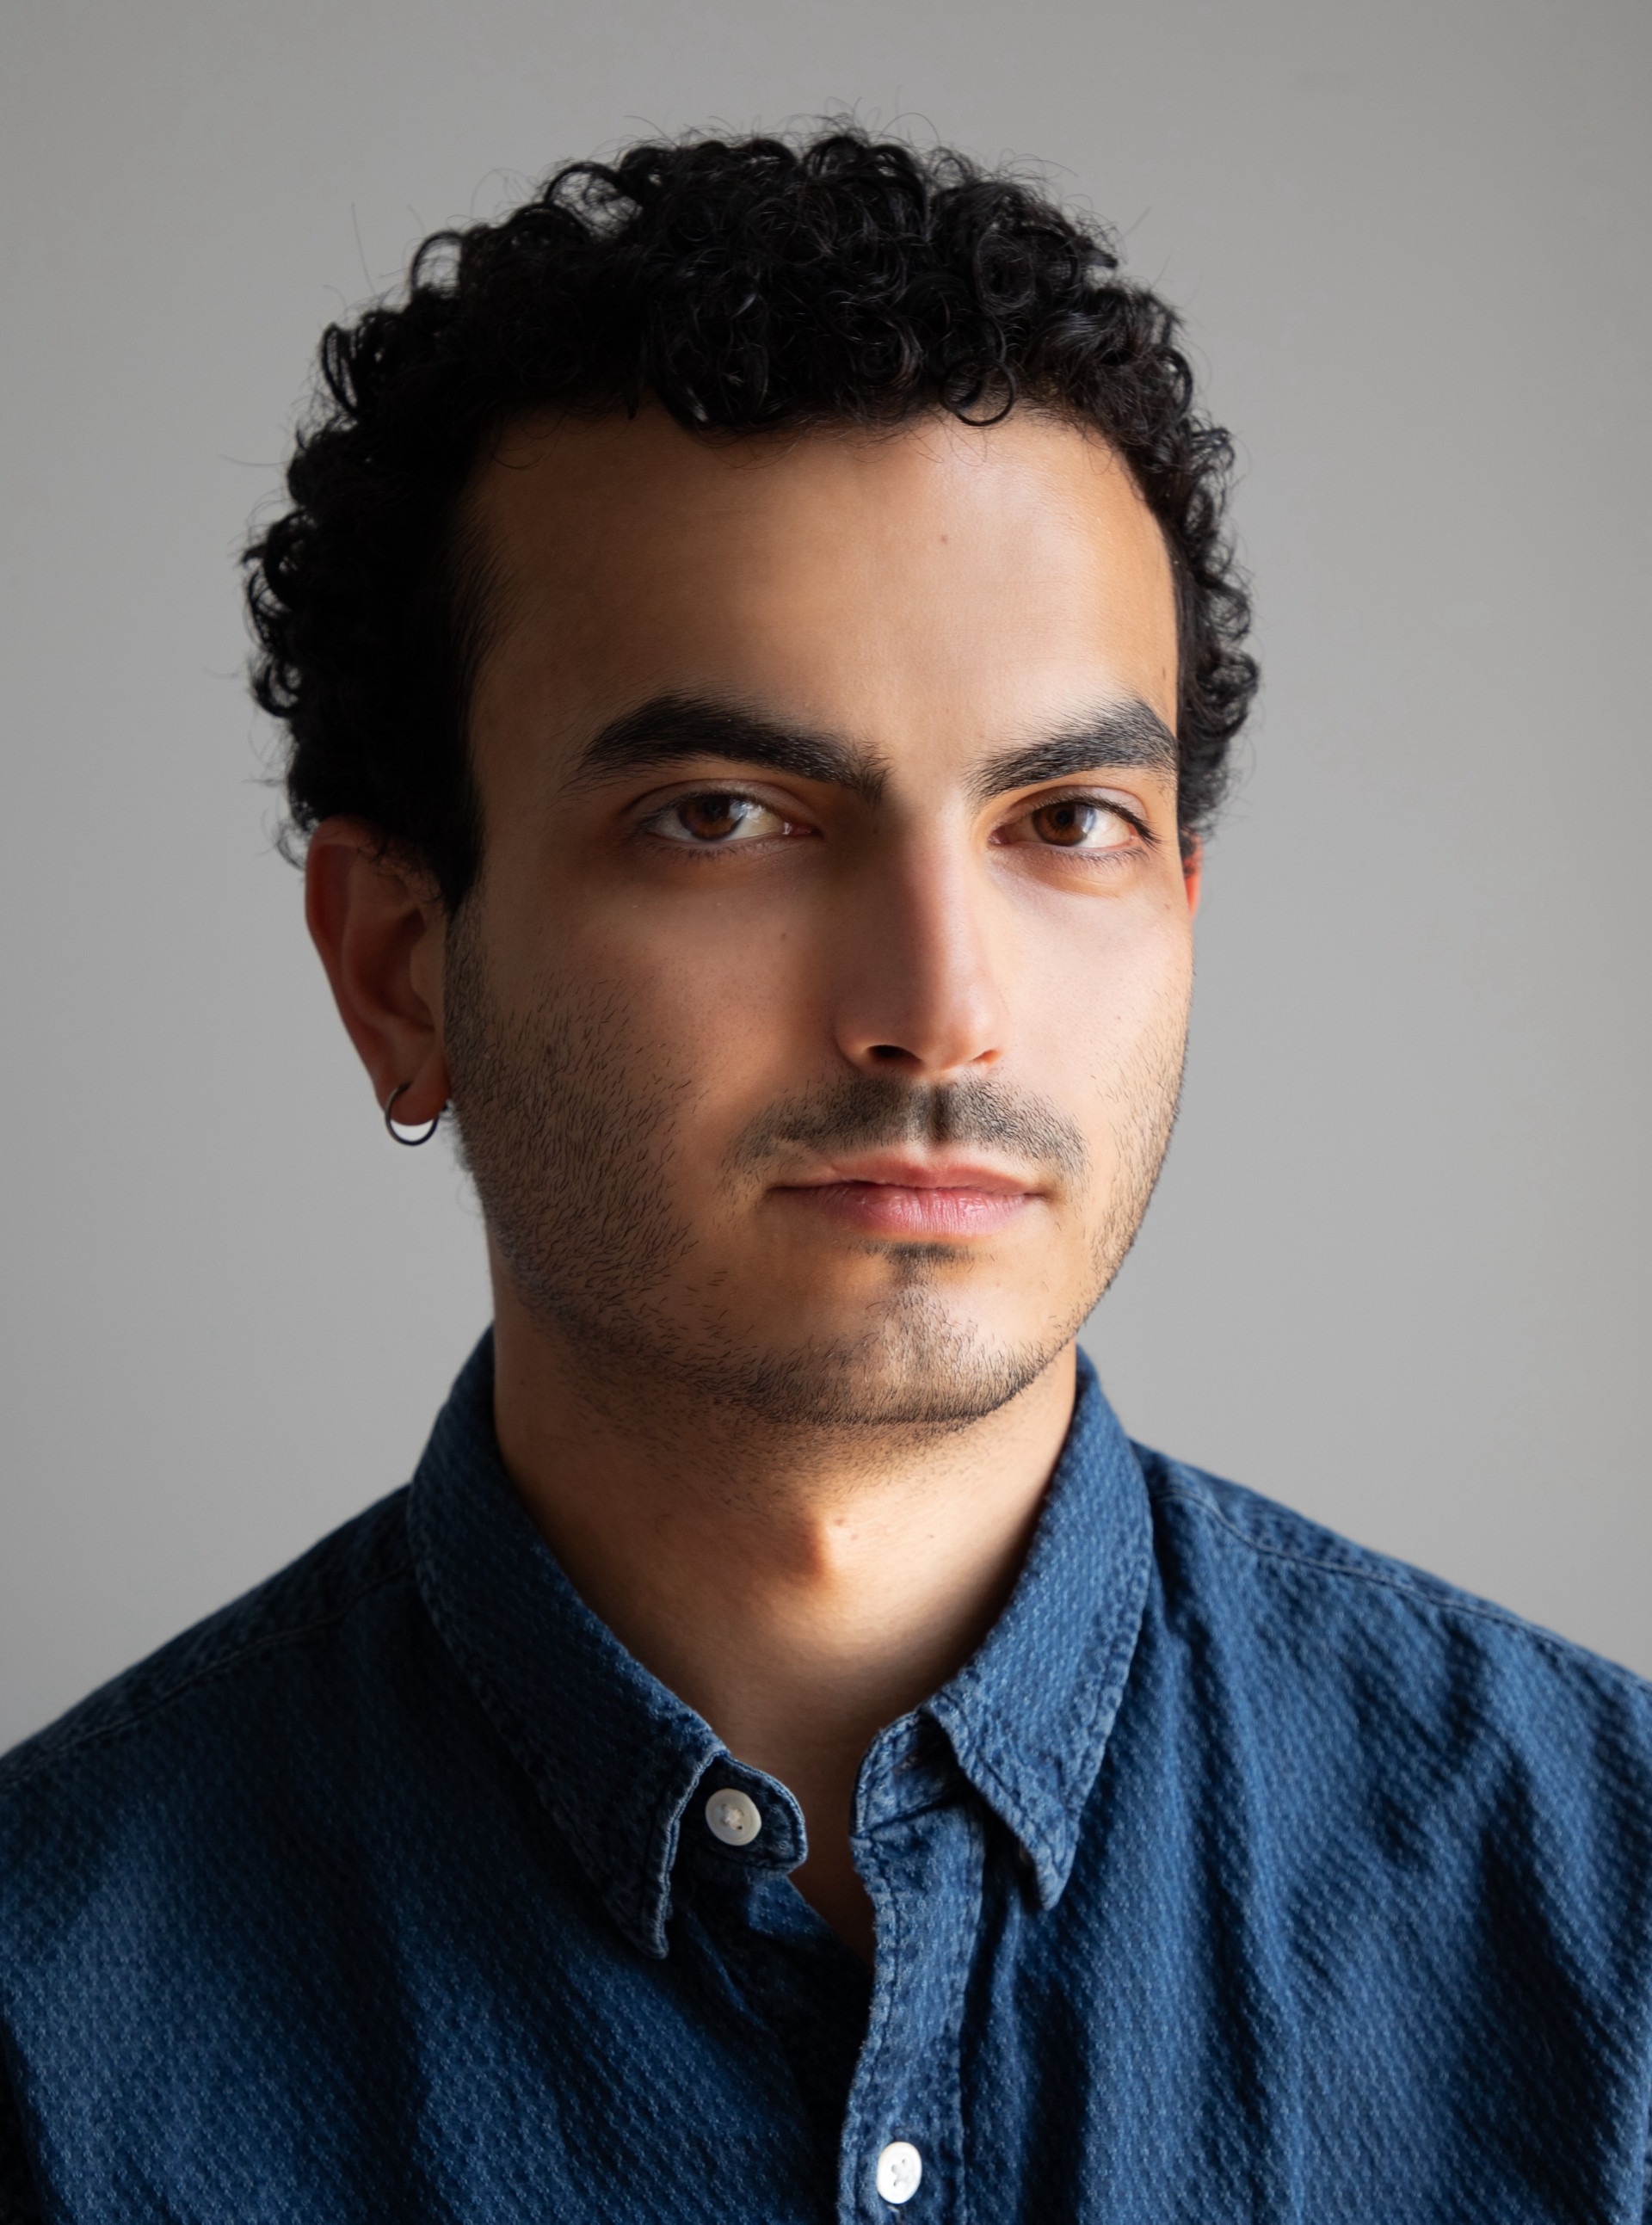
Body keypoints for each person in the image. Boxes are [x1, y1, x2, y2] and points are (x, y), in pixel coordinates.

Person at [2, 126, 1649, 2224]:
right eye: (726, 816)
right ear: (400, 967)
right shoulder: (44, 2042)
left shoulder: (1613, 1930)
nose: (940, 1012)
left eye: (1066, 821)